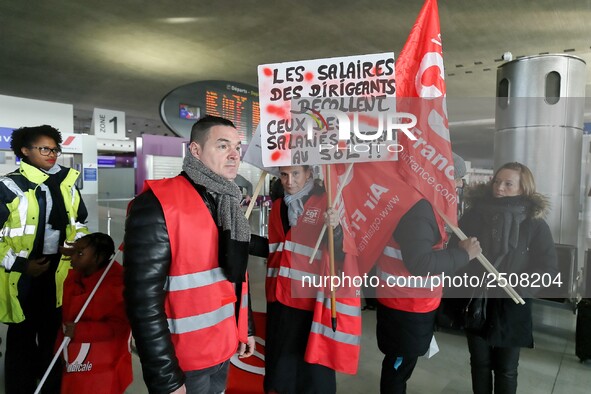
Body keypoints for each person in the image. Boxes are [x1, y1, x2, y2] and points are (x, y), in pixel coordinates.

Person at [124, 115, 258, 393]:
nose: (234, 155)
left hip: (224, 347)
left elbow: (237, 274)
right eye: (223, 146)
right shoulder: (155, 206)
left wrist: (246, 327)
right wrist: (165, 378)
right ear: (195, 151)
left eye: (237, 147)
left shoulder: (228, 203)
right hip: (184, 361)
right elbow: (142, 302)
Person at [374, 154, 482, 394]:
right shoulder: (420, 209)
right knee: (398, 365)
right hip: (405, 303)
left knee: (401, 362)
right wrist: (463, 255)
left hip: (406, 301)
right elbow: (420, 262)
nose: (460, 185)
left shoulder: (422, 203)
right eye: (457, 178)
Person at [454, 162, 558, 394]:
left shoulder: (534, 225)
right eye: (497, 181)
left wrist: (520, 285)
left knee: (507, 368)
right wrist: (460, 251)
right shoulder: (473, 217)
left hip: (512, 304)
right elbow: (455, 256)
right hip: (477, 301)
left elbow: (548, 269)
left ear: (523, 188)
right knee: (479, 364)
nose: (499, 187)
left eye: (508, 184)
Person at [0, 125, 89, 393]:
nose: (52, 154)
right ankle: (21, 386)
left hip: (58, 271)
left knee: (54, 335)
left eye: (55, 149)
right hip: (22, 275)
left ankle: (51, 384)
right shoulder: (10, 187)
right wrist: (21, 264)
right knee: (21, 336)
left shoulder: (67, 184)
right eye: (44, 149)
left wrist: (77, 246)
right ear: (24, 151)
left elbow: (79, 222)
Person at [264, 165, 355, 394]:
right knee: (282, 368)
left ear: (309, 174)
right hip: (280, 299)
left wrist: (335, 230)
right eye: (284, 174)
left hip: (311, 303)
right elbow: (275, 249)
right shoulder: (278, 206)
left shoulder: (328, 203)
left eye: (295, 174)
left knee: (312, 370)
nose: (289, 181)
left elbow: (342, 253)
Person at [58, 232, 132, 394]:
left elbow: (119, 327)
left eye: (80, 253)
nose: (73, 258)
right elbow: (66, 320)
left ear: (97, 259)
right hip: (74, 361)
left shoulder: (115, 286)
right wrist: (60, 351)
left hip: (102, 365)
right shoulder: (73, 279)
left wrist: (80, 331)